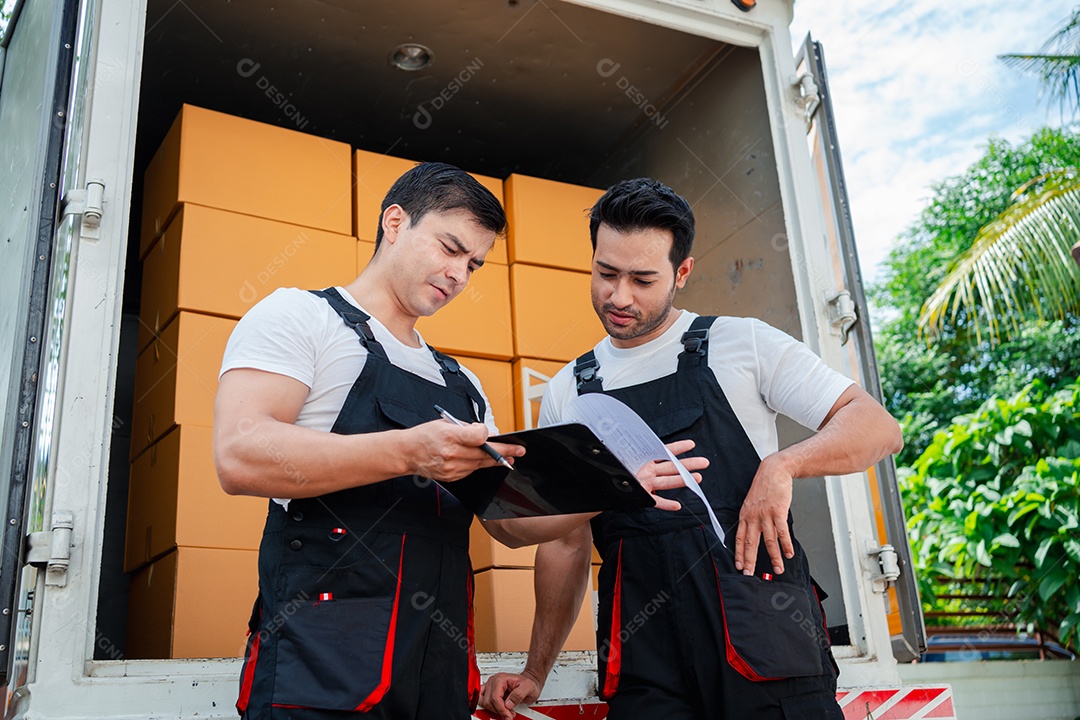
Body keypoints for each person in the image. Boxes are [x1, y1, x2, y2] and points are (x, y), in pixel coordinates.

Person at [213, 164, 701, 720]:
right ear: (394, 222)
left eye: (473, 264)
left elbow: (512, 525)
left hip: (437, 674)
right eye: (449, 248)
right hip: (319, 666)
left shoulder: (462, 387)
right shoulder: (302, 318)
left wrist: (612, 486)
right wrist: (409, 452)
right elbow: (240, 454)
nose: (458, 275)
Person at [479, 178, 904, 720]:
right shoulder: (571, 388)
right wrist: (537, 669)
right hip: (645, 654)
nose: (619, 296)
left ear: (682, 273)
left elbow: (876, 427)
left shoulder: (742, 343)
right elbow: (564, 543)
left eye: (642, 278)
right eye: (606, 273)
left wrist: (784, 465)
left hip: (762, 636)